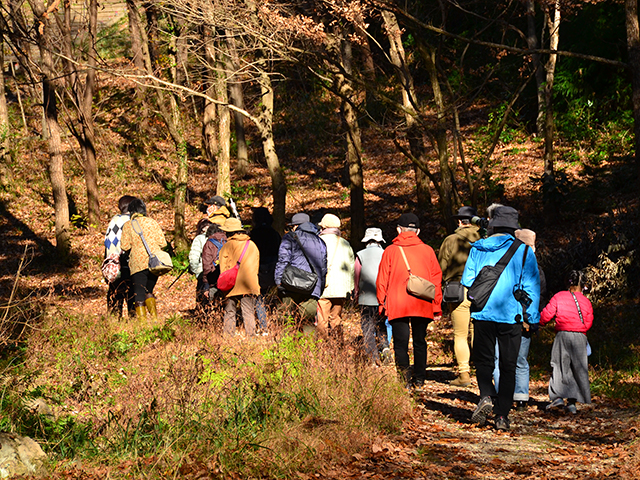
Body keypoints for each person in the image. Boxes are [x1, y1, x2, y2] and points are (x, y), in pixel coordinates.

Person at [461, 206, 540, 431]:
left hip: (482, 313)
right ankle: (502, 416)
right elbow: (531, 288)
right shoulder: (524, 251)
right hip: (511, 316)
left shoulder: (478, 248)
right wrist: (532, 319)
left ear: (492, 224)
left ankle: (486, 395)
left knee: (484, 361)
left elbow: (468, 280)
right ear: (514, 227)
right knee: (508, 366)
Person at [376, 213, 442, 388]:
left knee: (400, 344)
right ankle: (419, 379)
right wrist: (436, 306)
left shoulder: (390, 251)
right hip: (423, 302)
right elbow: (436, 279)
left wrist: (382, 303)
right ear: (418, 231)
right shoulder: (428, 251)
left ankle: (404, 381)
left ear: (399, 230)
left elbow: (382, 279)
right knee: (420, 341)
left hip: (398, 303)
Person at [493, 228, 547, 411]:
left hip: (507, 316)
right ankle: (522, 396)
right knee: (521, 360)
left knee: (500, 358)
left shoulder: (508, 263)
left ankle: (501, 395)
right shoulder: (536, 268)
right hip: (526, 320)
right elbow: (540, 294)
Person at [438, 206, 482, 387]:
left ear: (459, 222)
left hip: (458, 291)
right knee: (478, 333)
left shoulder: (451, 240)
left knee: (460, 334)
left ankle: (464, 374)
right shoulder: (485, 240)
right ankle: (483, 372)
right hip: (482, 291)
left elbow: (441, 267)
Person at [540, 270, 593, 414]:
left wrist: (538, 322)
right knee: (578, 368)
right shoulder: (586, 301)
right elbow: (588, 322)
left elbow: (546, 315)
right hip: (580, 337)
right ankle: (572, 403)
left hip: (562, 335)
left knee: (559, 366)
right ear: (582, 285)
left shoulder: (558, 297)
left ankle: (557, 398)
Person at [274, 213, 328, 329]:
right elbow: (323, 268)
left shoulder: (290, 237)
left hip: (290, 285)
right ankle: (308, 347)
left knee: (285, 320)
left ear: (296, 226)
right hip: (312, 287)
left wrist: (278, 281)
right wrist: (319, 288)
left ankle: (287, 346)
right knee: (308, 321)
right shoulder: (320, 242)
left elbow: (283, 260)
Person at [120, 198, 167, 321]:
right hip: (154, 263)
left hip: (138, 264)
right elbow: (163, 243)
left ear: (131, 211)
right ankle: (155, 320)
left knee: (139, 293)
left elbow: (124, 246)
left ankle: (142, 325)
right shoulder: (153, 222)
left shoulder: (128, 225)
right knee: (149, 290)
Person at [217, 218, 260, 336]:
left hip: (231, 284)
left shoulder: (227, 246)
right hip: (248, 283)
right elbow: (256, 266)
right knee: (248, 312)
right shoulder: (252, 245)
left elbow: (223, 267)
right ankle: (251, 338)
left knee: (230, 311)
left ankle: (228, 338)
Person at [317, 214, 355, 341]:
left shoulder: (318, 242)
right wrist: (350, 287)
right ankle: (338, 346)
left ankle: (323, 347)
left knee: (322, 319)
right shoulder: (345, 243)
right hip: (341, 289)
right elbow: (351, 267)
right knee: (336, 318)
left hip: (324, 287)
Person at [354, 227, 389, 364]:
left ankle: (372, 356)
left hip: (365, 296)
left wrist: (356, 295)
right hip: (383, 296)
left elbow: (357, 276)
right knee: (381, 324)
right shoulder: (386, 253)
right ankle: (384, 347)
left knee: (367, 326)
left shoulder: (360, 255)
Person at [249, 207, 282, 334]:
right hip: (273, 269)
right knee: (272, 297)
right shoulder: (274, 234)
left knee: (259, 298)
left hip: (258, 269)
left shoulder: (253, 235)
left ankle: (263, 326)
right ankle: (276, 323)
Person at [104, 195, 136, 318]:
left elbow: (108, 244)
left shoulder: (114, 221)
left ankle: (113, 323)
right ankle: (134, 323)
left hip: (114, 264)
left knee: (115, 295)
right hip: (130, 264)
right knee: (132, 295)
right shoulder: (134, 222)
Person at [189, 218, 214, 312]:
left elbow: (194, 258)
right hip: (218, 271)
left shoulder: (199, 239)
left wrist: (195, 270)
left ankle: (203, 319)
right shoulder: (220, 237)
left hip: (203, 271)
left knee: (202, 299)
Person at [201, 222, 227, 309]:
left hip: (214, 278)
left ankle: (213, 320)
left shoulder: (209, 244)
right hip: (228, 276)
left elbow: (206, 265)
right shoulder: (228, 240)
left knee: (213, 304)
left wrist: (206, 284)